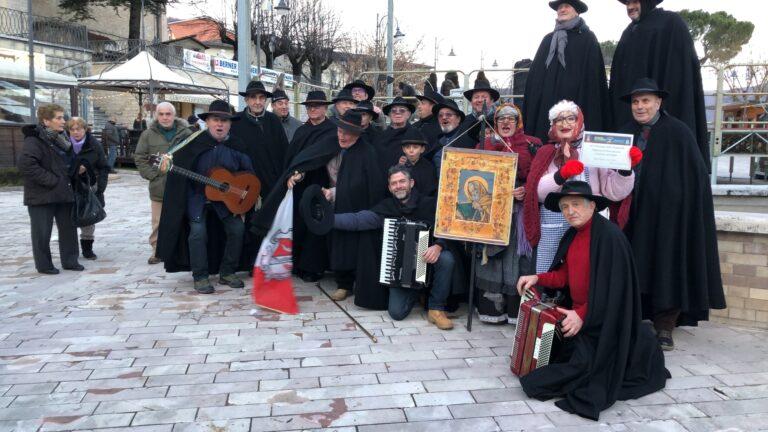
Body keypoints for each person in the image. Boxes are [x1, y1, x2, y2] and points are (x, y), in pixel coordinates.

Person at [516, 181, 668, 421]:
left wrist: (582, 315)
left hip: (606, 322)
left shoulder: (610, 237)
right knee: (553, 364)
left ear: (592, 206)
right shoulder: (572, 235)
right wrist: (537, 276)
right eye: (565, 207)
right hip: (580, 318)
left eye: (576, 205)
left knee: (571, 378)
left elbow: (614, 291)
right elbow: (565, 276)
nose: (570, 211)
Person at [617, 78, 725, 350]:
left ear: (658, 102)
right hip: (632, 215)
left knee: (667, 265)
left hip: (668, 218)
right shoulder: (624, 133)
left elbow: (694, 177)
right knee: (634, 265)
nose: (640, 106)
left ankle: (665, 325)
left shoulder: (678, 132)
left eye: (645, 101)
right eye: (635, 101)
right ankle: (635, 318)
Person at [271, 111, 386, 306]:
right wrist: (299, 173)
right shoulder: (332, 144)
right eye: (340, 131)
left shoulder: (367, 153)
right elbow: (311, 159)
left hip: (358, 207)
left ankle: (357, 282)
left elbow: (368, 185)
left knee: (357, 245)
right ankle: (343, 284)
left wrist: (336, 192)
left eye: (347, 133)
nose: (342, 136)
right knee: (338, 242)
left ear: (357, 134)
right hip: (334, 203)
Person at [331, 165, 456, 329]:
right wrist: (328, 220)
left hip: (429, 262)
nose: (399, 186)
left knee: (447, 259)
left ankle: (436, 309)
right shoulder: (386, 208)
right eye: (394, 183)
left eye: (402, 181)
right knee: (396, 313)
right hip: (405, 273)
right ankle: (417, 292)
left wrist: (438, 246)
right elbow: (358, 220)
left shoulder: (429, 204)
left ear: (411, 183)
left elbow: (449, 227)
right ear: (390, 188)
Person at [523, 100, 638, 275]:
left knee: (587, 274)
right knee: (550, 275)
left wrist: (625, 171)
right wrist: (560, 175)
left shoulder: (595, 149)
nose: (565, 123)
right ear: (553, 125)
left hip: (591, 224)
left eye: (571, 118)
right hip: (555, 225)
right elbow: (536, 193)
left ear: (580, 121)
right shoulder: (546, 152)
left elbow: (613, 192)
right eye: (558, 120)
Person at [156, 100, 254, 294]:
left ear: (230, 124)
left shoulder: (237, 145)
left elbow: (249, 175)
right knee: (198, 232)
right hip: (197, 196)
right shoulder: (194, 142)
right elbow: (174, 163)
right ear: (207, 122)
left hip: (225, 200)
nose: (220, 124)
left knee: (237, 229)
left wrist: (239, 190)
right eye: (216, 120)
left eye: (225, 121)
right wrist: (167, 164)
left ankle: (227, 272)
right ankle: (200, 276)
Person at [609, 0, 709, 169]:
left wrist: (662, 111)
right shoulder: (628, 32)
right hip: (633, 124)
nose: (630, 7)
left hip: (664, 120)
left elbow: (679, 76)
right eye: (627, 3)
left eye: (635, 1)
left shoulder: (671, 23)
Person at [473, 104, 541, 324]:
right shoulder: (484, 144)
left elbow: (540, 177)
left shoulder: (533, 144)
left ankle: (515, 310)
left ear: (518, 122)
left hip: (519, 212)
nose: (505, 122)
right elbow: (474, 175)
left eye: (511, 118)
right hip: (491, 212)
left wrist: (526, 191)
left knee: (516, 259)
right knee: (492, 259)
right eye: (501, 118)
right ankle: (491, 310)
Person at [523, 0, 610, 144]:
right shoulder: (548, 40)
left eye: (566, 6)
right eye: (559, 7)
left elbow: (593, 80)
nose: (562, 9)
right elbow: (536, 78)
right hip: (548, 107)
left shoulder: (588, 38)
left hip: (577, 103)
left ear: (577, 11)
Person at [17, 104, 83, 274]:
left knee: (68, 229)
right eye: (59, 118)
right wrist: (52, 181)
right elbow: (27, 165)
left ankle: (70, 261)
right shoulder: (34, 140)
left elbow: (65, 162)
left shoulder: (61, 139)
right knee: (42, 232)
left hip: (63, 192)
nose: (63, 121)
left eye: (63, 117)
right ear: (46, 121)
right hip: (42, 195)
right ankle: (44, 265)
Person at [281, 90, 337, 282]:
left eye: (318, 106)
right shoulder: (301, 131)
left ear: (325, 108)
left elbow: (326, 156)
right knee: (298, 224)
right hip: (298, 185)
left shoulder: (332, 130)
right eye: (310, 106)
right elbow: (292, 158)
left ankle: (313, 268)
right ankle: (297, 263)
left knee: (316, 223)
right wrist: (291, 174)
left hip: (320, 183)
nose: (313, 109)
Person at [133, 102, 193, 265]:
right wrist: (152, 175)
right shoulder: (148, 134)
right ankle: (156, 250)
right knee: (158, 221)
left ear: (174, 116)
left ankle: (181, 250)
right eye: (161, 114)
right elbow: (140, 157)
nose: (165, 117)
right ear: (156, 116)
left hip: (181, 184)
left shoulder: (186, 133)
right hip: (159, 185)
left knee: (182, 218)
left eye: (168, 114)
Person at [231, 80, 290, 199]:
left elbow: (285, 151)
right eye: (253, 97)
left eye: (261, 97)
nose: (257, 102)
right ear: (246, 100)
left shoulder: (273, 120)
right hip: (245, 187)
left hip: (273, 185)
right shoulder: (236, 121)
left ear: (265, 100)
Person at [66, 117, 109, 260]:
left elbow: (103, 167)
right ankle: (70, 249)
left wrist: (100, 187)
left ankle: (87, 249)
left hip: (89, 187)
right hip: (69, 187)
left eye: (79, 129)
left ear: (85, 129)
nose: (75, 132)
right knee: (68, 218)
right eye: (72, 129)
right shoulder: (64, 144)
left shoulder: (94, 145)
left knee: (88, 219)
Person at [426, 99, 475, 172]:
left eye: (448, 114)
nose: (444, 117)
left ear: (458, 119)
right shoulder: (436, 140)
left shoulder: (468, 140)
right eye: (440, 115)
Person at [375, 96, 415, 170]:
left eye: (402, 110)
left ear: (408, 114)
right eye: (393, 111)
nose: (397, 112)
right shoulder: (381, 136)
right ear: (389, 114)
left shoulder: (415, 136)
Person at [397, 128, 437, 197]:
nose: (411, 150)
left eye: (415, 147)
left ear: (422, 149)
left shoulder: (429, 168)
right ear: (403, 149)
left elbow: (431, 192)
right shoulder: (399, 167)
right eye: (407, 147)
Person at [413, 88, 445, 154]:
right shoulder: (414, 126)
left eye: (423, 103)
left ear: (433, 107)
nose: (419, 106)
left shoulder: (440, 130)